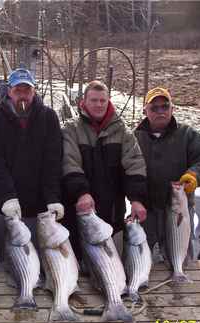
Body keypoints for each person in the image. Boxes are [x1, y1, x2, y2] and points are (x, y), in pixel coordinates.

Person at [62, 80, 148, 254]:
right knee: (82, 261)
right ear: (83, 102)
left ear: (108, 101)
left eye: (102, 100)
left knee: (113, 260)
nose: (98, 104)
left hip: (113, 212)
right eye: (93, 100)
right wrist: (81, 193)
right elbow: (69, 162)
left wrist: (136, 199)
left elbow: (135, 165)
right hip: (81, 211)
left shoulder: (123, 132)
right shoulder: (70, 130)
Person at [0, 68, 63, 250]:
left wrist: (53, 197)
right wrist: (8, 197)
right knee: (5, 262)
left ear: (34, 92)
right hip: (3, 207)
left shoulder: (49, 117)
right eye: (18, 91)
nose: (23, 95)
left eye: (27, 91)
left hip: (39, 208)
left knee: (38, 262)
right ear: (9, 91)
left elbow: (53, 161)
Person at [134, 87, 200, 260]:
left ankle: (183, 279)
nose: (160, 111)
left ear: (172, 109)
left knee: (182, 257)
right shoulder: (134, 138)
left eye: (165, 106)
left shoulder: (188, 134)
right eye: (154, 108)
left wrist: (194, 176)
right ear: (145, 111)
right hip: (147, 211)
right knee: (145, 260)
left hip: (180, 208)